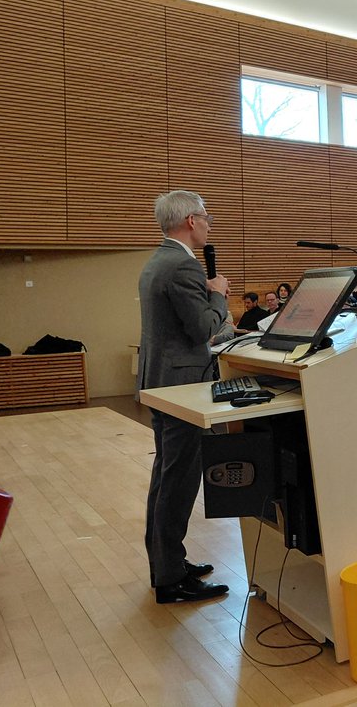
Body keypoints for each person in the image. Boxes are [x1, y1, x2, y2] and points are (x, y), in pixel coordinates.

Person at [138, 190, 229, 604]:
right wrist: (218, 293)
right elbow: (203, 329)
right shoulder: (184, 266)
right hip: (182, 387)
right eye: (206, 218)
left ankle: (165, 562)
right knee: (178, 481)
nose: (209, 225)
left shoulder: (158, 261)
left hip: (160, 380)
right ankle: (170, 579)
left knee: (165, 476)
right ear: (192, 221)